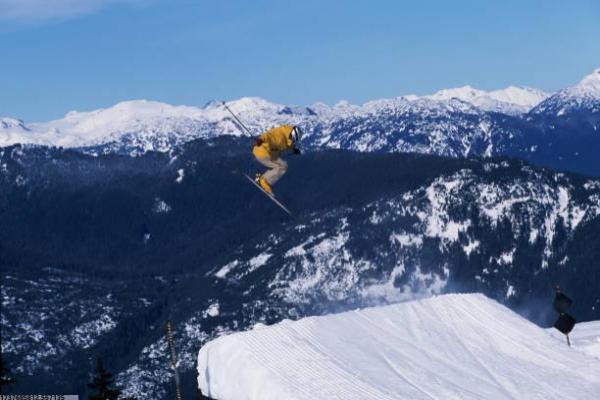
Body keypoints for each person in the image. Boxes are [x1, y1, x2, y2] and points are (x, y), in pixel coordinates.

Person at [253, 124, 303, 195]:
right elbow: (268, 135)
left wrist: (294, 149)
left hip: (269, 154)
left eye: (294, 140)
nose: (293, 140)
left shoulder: (287, 135)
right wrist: (261, 139)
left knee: (284, 165)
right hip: (263, 153)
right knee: (280, 167)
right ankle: (263, 181)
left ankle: (262, 179)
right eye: (293, 138)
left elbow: (287, 144)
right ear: (292, 134)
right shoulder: (280, 134)